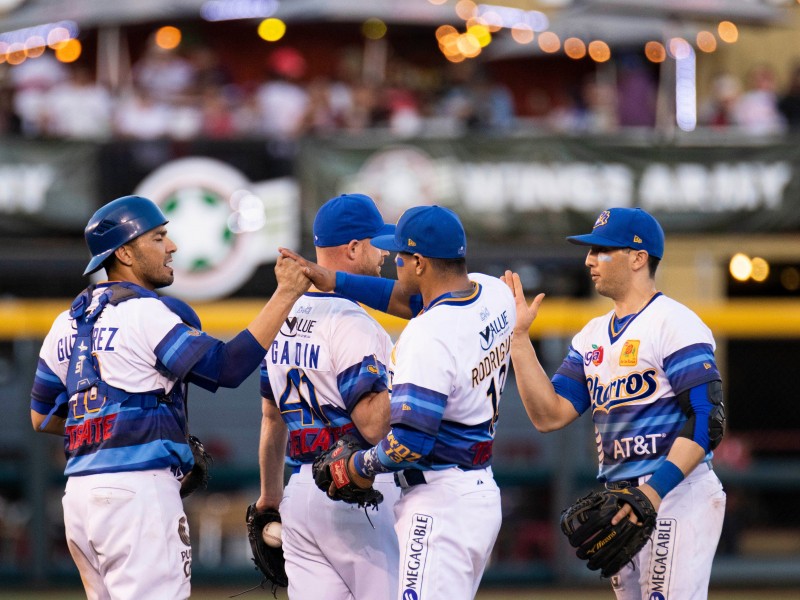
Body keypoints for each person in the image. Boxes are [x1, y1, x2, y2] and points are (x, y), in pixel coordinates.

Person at [29, 195, 310, 600]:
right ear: (124, 252)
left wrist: (109, 428)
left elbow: (41, 417)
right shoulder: (145, 312)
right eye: (158, 237)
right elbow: (227, 368)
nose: (172, 246)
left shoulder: (66, 322)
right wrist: (285, 295)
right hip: (136, 496)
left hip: (79, 498)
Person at [283, 205, 517, 599]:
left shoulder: (429, 336)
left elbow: (409, 443)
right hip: (477, 492)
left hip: (438, 500)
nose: (395, 261)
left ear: (421, 263)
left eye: (403, 256)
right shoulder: (491, 292)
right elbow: (404, 300)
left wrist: (357, 466)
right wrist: (335, 281)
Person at [502, 207, 726, 600]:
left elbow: (709, 419)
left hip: (675, 492)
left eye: (602, 250)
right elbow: (549, 414)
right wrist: (519, 341)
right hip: (623, 499)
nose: (589, 259)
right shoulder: (591, 335)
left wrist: (652, 494)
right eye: (590, 251)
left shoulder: (674, 322)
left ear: (639, 258)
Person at [254, 193, 400, 599]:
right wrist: (412, 371)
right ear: (354, 248)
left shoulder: (281, 318)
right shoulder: (355, 322)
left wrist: (270, 497)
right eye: (378, 243)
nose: (384, 254)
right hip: (356, 488)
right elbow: (372, 425)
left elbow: (271, 418)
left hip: (300, 492)